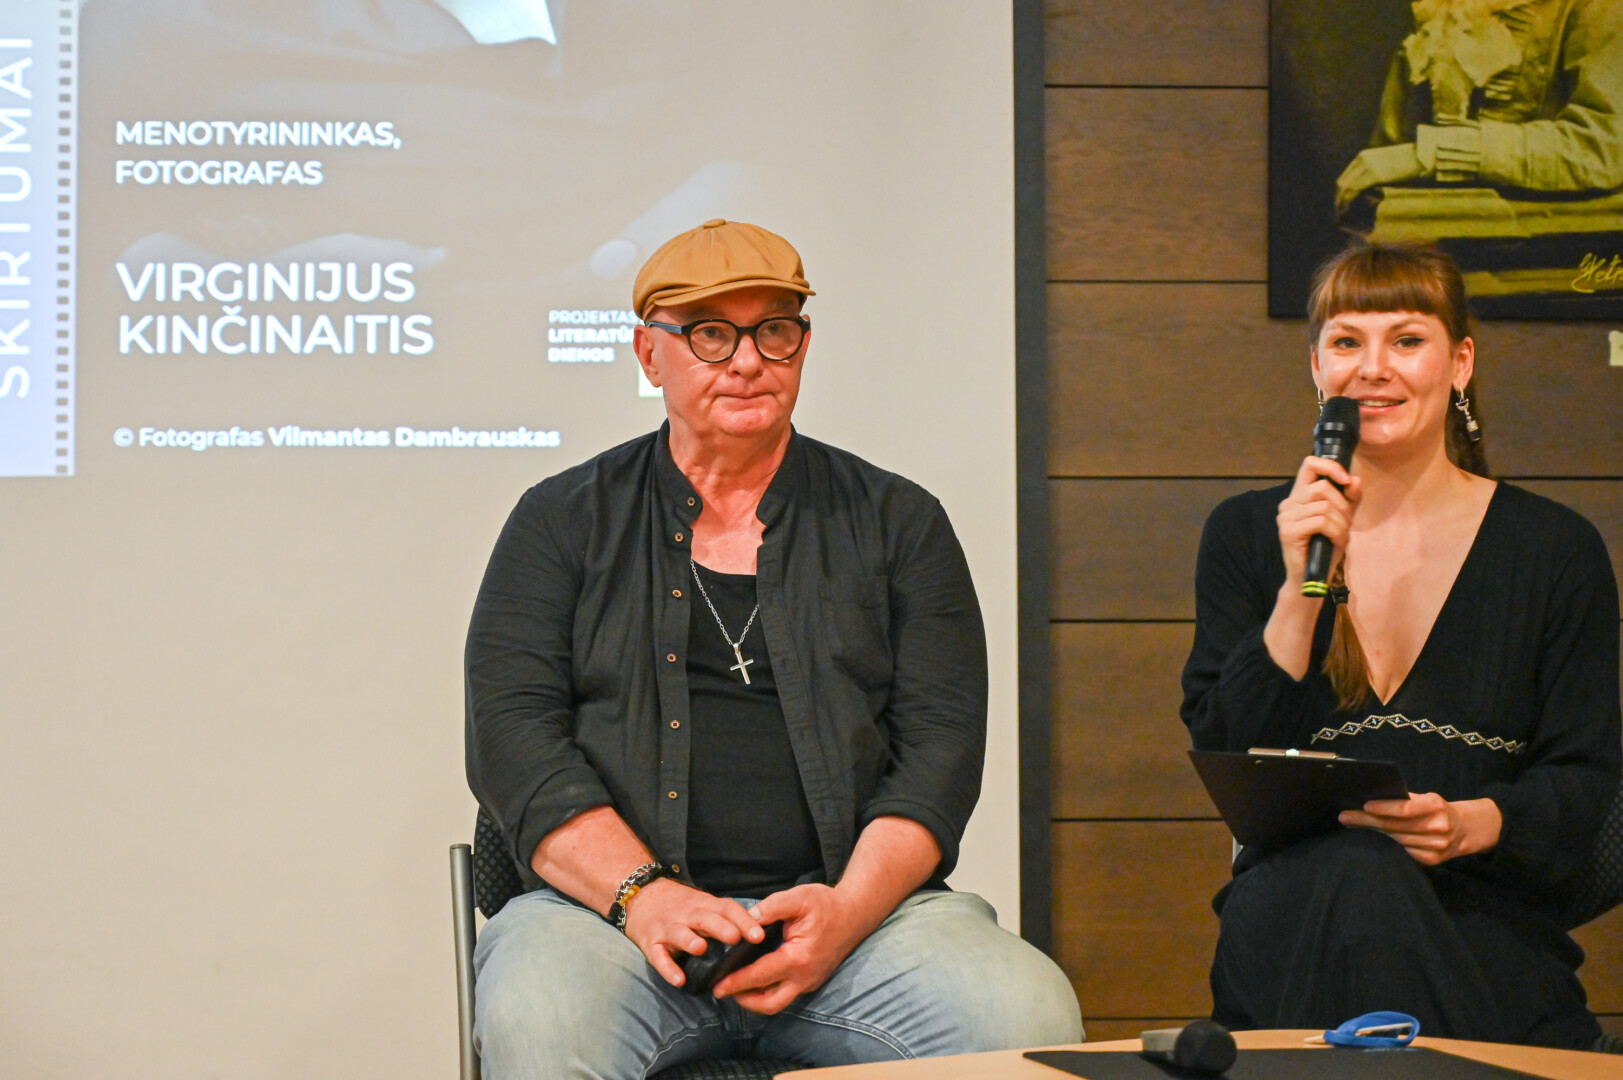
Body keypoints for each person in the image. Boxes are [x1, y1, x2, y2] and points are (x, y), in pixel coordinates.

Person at [464, 218, 1082, 1078]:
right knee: (542, 1018)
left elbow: (940, 752)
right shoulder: (560, 519)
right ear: (648, 355)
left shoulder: (898, 521)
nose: (748, 360)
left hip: (862, 928)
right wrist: (646, 898)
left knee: (1022, 1013)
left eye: (774, 331)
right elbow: (513, 740)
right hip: (610, 926)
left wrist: (848, 911)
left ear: (803, 343)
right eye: (710, 335)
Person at [1180, 240, 1621, 1049]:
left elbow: (1586, 777)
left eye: (1406, 340)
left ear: (1459, 364)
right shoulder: (1246, 534)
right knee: (1355, 869)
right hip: (1291, 919)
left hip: (1481, 921)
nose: (1373, 368)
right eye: (1347, 342)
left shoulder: (1554, 549)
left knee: (1375, 877)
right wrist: (1299, 587)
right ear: (1317, 367)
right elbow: (1227, 748)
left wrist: (1474, 822)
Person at [1335, 0, 1623, 217]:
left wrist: (1430, 153)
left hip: (1548, 231)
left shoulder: (1600, 7)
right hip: (1435, 221)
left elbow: (1602, 149)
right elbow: (1391, 144)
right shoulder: (1441, 6)